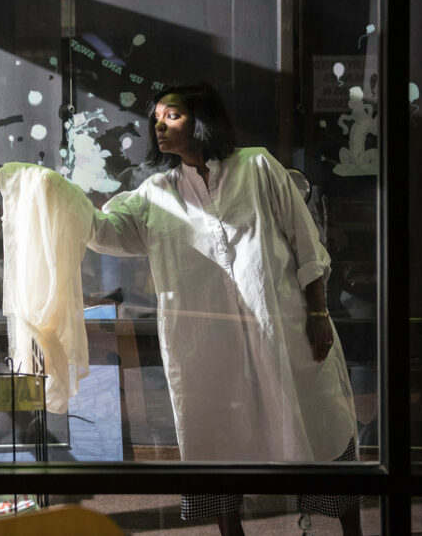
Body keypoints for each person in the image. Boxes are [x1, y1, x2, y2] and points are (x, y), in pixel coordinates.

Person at [86, 82, 361, 536]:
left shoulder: (257, 166)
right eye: (155, 119)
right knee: (213, 431)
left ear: (201, 119)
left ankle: (355, 531)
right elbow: (103, 230)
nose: (159, 126)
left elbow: (305, 242)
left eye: (171, 116)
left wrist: (317, 314)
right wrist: (46, 202)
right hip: (205, 344)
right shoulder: (156, 194)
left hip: (283, 331)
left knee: (319, 420)